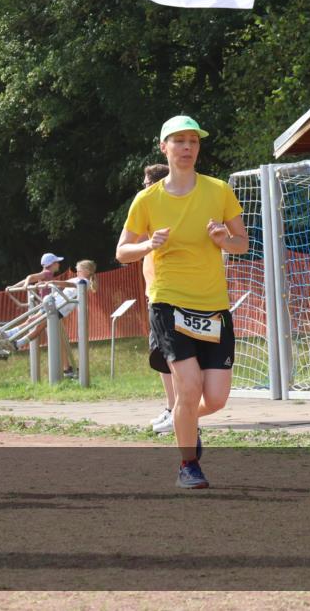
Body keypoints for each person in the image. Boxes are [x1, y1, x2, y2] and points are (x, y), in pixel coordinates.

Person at [116, 116, 247, 490]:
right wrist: (148, 244)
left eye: (193, 141)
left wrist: (225, 239)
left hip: (213, 305)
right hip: (169, 303)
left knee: (217, 398)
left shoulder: (218, 190)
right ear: (164, 148)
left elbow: (243, 242)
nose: (187, 147)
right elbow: (122, 251)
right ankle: (188, 464)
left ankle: (182, 421)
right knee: (188, 387)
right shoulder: (148, 199)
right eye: (179, 141)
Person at [6, 260, 98, 378]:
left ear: (86, 271)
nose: (77, 271)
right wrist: (48, 284)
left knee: (39, 326)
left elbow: (69, 285)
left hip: (59, 308)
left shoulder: (84, 281)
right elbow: (66, 284)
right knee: (32, 320)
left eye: (78, 269)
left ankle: (18, 343)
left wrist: (53, 282)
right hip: (53, 303)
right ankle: (10, 334)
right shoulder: (78, 279)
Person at [140, 164, 177, 434]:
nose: (143, 186)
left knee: (170, 356)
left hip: (167, 294)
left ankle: (178, 411)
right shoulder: (150, 209)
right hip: (154, 291)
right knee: (161, 356)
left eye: (146, 182)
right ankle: (171, 407)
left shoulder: (167, 211)